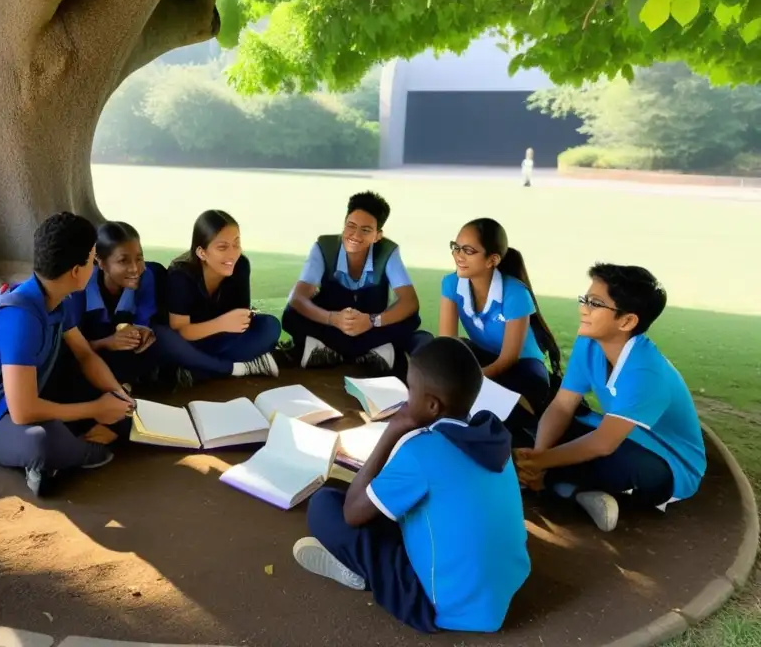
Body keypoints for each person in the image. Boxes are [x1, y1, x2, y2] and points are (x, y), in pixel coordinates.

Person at [293, 337, 530, 634]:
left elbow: (352, 513)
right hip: (506, 586)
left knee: (325, 505)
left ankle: (359, 572)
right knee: (400, 506)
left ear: (432, 405)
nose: (406, 399)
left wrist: (394, 429)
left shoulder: (421, 451)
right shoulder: (493, 434)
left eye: (410, 390)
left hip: (439, 607)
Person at [0, 212, 135, 498]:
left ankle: (63, 455)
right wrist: (96, 410)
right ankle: (74, 453)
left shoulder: (58, 298)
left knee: (121, 401)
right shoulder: (20, 319)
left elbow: (85, 355)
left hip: (28, 393)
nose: (95, 267)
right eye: (93, 258)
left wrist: (115, 393)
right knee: (41, 442)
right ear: (76, 270)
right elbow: (23, 411)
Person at [514, 264, 706, 532]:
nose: (583, 308)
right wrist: (540, 454)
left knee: (613, 460)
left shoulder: (647, 372)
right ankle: (570, 490)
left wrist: (538, 463)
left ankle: (552, 483)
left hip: (665, 461)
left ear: (627, 321)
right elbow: (562, 405)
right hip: (616, 433)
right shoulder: (590, 343)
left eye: (595, 303)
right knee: (545, 422)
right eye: (585, 299)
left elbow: (603, 444)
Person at [439, 218, 561, 436]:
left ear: (492, 260)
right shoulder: (451, 283)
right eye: (456, 247)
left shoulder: (515, 293)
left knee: (490, 397)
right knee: (438, 356)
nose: (458, 255)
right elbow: (447, 343)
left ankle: (526, 424)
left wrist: (470, 379)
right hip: (485, 358)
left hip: (523, 367)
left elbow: (508, 359)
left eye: (468, 250)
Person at [283, 191, 424, 373]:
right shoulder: (324, 246)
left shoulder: (388, 251)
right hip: (333, 320)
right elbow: (298, 298)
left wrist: (372, 321)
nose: (355, 235)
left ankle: (330, 352)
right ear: (344, 225)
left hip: (369, 322)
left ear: (377, 235)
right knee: (291, 314)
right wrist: (333, 319)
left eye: (365, 230)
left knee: (411, 318)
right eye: (351, 226)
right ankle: (370, 353)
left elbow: (410, 302)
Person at [155, 210, 281, 386]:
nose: (232, 254)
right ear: (201, 252)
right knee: (163, 337)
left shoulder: (241, 265)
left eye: (236, 244)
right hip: (189, 341)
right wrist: (221, 323)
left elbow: (240, 321)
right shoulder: (180, 274)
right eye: (222, 247)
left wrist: (241, 319)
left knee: (270, 326)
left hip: (223, 340)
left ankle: (195, 369)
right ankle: (234, 368)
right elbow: (180, 330)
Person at [66, 221, 164, 386]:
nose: (135, 269)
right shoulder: (81, 288)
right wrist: (108, 342)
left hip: (125, 353)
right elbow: (71, 348)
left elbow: (144, 322)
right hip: (90, 350)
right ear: (101, 262)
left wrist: (142, 332)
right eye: (123, 261)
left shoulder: (146, 278)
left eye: (139, 259)